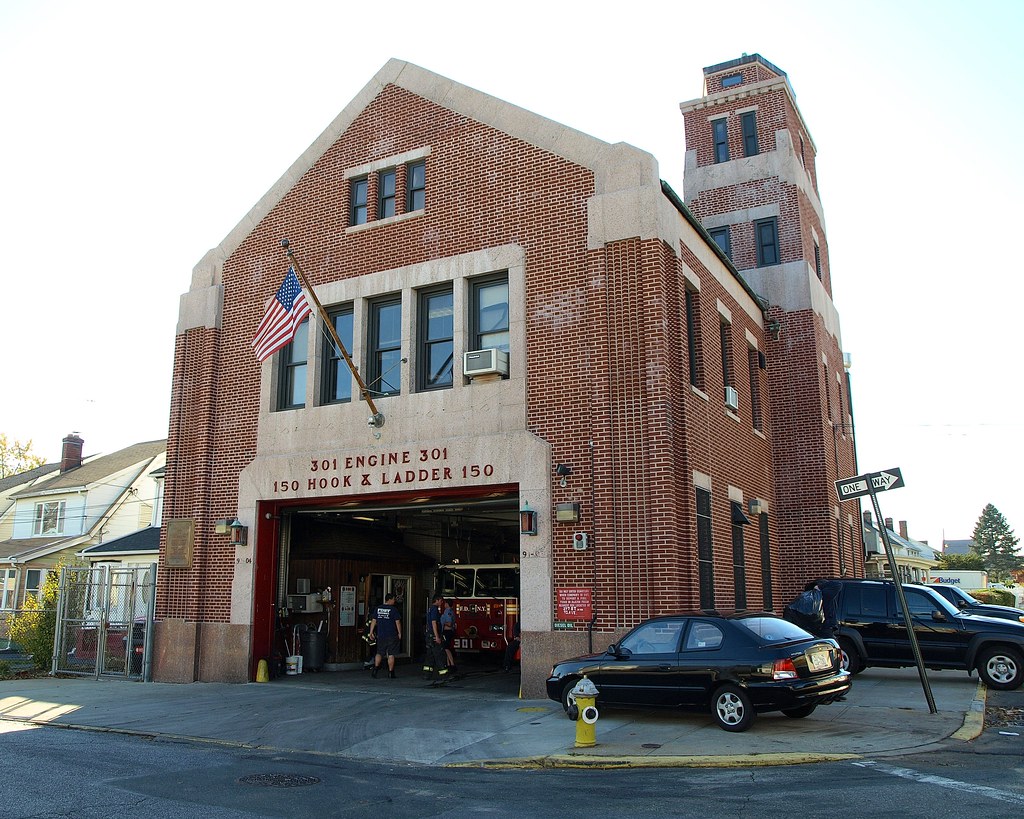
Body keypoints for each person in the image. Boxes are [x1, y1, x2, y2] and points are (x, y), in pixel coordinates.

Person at [368, 592, 402, 679]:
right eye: (394, 599)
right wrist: (399, 633)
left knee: (379, 652)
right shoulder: (393, 610)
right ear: (390, 599)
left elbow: (374, 621)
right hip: (391, 635)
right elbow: (397, 622)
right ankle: (391, 672)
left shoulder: (378, 608)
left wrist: (371, 632)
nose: (394, 601)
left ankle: (375, 670)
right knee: (390, 654)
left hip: (381, 635)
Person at [422, 594, 448, 681]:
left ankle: (427, 674)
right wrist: (437, 636)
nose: (442, 602)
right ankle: (443, 674)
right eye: (441, 601)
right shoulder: (434, 610)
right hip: (433, 635)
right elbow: (434, 623)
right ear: (436, 600)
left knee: (430, 656)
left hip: (429, 635)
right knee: (439, 655)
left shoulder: (430, 609)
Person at [440, 598, 457, 673]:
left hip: (447, 631)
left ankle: (452, 664)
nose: (444, 604)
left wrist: (443, 623)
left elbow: (449, 624)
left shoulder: (447, 612)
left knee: (446, 648)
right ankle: (448, 664)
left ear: (447, 604)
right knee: (445, 648)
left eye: (445, 603)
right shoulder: (451, 611)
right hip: (448, 631)